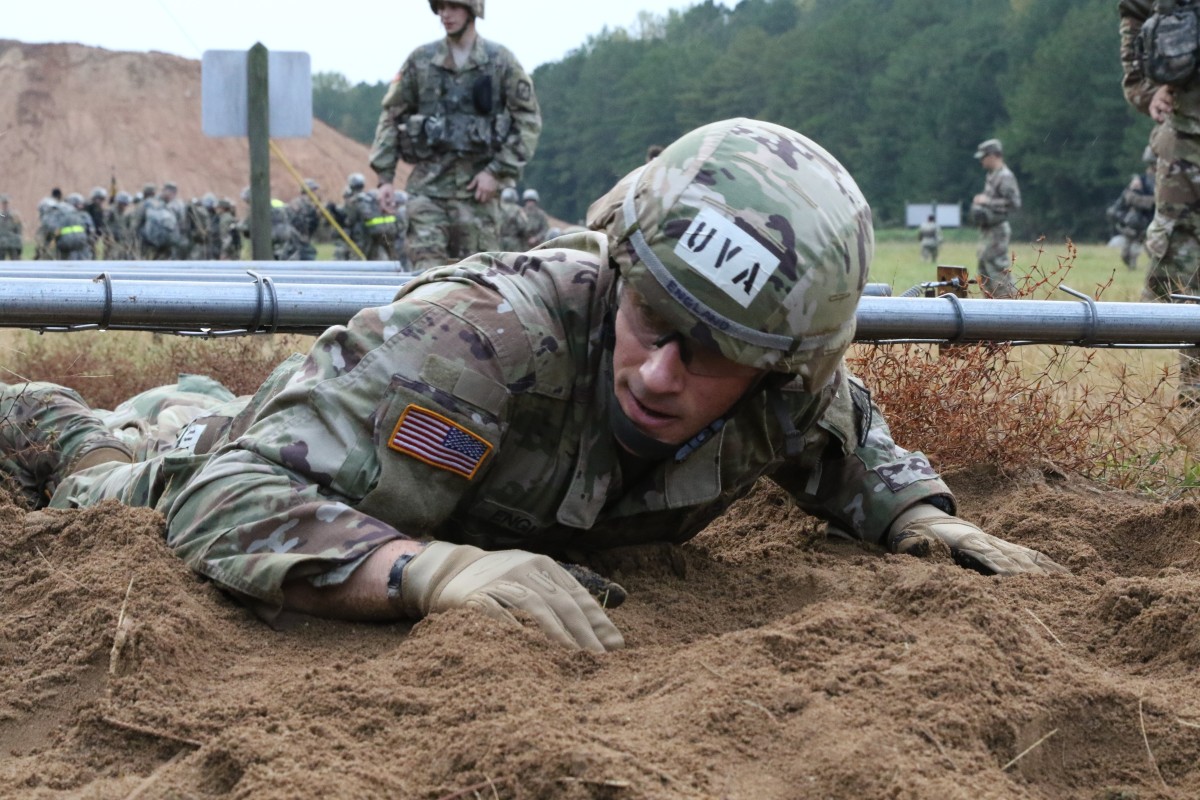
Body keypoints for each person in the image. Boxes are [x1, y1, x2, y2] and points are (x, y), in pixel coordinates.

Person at [0, 119, 1065, 656]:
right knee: (121, 477)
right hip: (276, 462)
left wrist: (919, 516)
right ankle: (72, 415)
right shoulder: (479, 334)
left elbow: (849, 435)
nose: (659, 372)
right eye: (652, 322)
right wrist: (432, 570)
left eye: (709, 356)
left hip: (356, 437)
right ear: (622, 270)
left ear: (778, 367)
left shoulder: (787, 385)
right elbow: (224, 498)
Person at [369, 0, 541, 271]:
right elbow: (391, 115)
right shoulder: (420, 61)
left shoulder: (500, 62)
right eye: (440, 7)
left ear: (472, 9)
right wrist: (384, 179)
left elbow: (528, 120)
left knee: (478, 281)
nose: (445, 14)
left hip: (478, 196)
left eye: (453, 6)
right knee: (426, 278)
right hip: (427, 191)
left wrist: (496, 172)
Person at [1120, 0, 1200, 403]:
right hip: (1188, 149)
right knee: (1188, 279)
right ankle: (1195, 396)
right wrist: (1149, 89)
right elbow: (1135, 14)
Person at [969, 138, 1022, 298]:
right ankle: (991, 308)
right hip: (988, 230)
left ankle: (1008, 306)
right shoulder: (992, 176)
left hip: (998, 230)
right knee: (984, 271)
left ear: (993, 156)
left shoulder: (1005, 176)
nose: (981, 161)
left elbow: (1015, 203)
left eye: (983, 157)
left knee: (998, 270)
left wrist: (987, 201)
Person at [1107, 145, 1157, 271]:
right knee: (1126, 255)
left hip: (1152, 222)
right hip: (1136, 222)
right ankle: (1132, 268)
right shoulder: (1140, 180)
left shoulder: (1164, 179)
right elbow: (1127, 198)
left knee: (1155, 253)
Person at [498, 186, 526, 251]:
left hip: (499, 241)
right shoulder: (517, 209)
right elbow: (522, 226)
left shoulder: (498, 208)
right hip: (513, 242)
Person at [0, 194, 23, 260]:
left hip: (12, 243)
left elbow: (19, 230)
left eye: (6, 203)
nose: (5, 205)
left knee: (15, 261)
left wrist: (19, 243)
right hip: (1, 243)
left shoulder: (14, 216)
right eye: (3, 203)